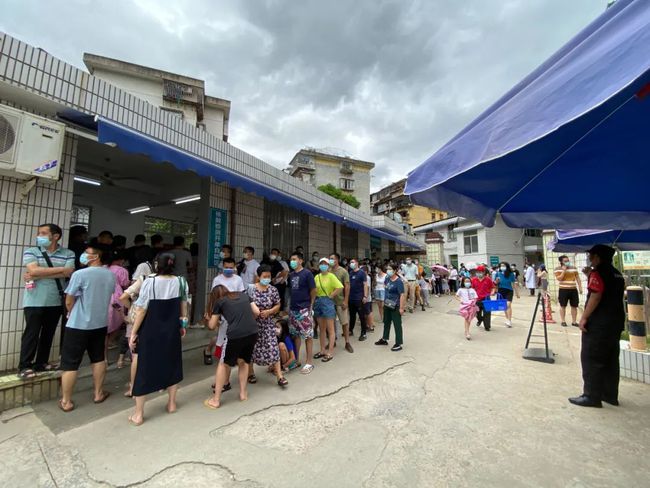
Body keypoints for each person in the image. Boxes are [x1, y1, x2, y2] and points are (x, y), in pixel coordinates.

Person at [128, 253, 188, 425]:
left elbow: (141, 309)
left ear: (156, 265)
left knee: (144, 368)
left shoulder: (150, 282)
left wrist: (134, 332)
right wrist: (182, 324)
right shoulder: (180, 281)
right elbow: (183, 304)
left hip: (151, 330)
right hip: (172, 329)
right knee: (173, 363)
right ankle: (171, 403)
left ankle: (138, 414)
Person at [59, 244, 115, 412]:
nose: (83, 255)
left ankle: (66, 401)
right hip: (100, 323)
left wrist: (72, 313)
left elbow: (69, 300)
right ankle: (98, 393)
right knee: (98, 358)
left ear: (96, 256)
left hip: (78, 324)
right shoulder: (110, 275)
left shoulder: (80, 274)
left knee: (70, 363)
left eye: (86, 253)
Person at [569, 245, 625, 408]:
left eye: (591, 256)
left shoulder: (598, 272)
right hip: (615, 322)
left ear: (598, 258)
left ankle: (591, 396)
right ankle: (610, 395)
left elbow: (596, 296)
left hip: (599, 323)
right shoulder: (617, 273)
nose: (590, 259)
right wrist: (590, 275)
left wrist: (584, 318)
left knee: (591, 358)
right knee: (610, 359)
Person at [19, 224, 75, 379]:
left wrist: (37, 275)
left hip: (56, 300)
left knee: (48, 333)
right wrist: (59, 271)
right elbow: (33, 270)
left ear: (55, 236)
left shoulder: (68, 253)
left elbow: (69, 271)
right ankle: (24, 366)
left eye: (43, 233)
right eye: (39, 233)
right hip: (33, 300)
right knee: (32, 333)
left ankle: (41, 363)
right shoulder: (32, 251)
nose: (39, 236)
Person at [204, 285, 260, 409]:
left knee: (223, 364)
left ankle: (216, 400)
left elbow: (212, 325)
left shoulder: (220, 302)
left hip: (235, 335)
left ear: (215, 297)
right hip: (252, 332)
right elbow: (256, 312)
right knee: (244, 362)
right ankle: (243, 393)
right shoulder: (244, 295)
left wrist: (209, 319)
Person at [248, 265, 287, 387]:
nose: (267, 279)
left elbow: (278, 305)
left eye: (269, 276)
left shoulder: (273, 290)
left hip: (268, 323)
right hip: (253, 324)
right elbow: (246, 304)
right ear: (259, 277)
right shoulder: (251, 289)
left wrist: (269, 312)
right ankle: (250, 373)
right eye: (264, 276)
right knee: (251, 348)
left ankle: (279, 376)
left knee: (273, 347)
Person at [204, 258, 245, 365]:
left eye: (231, 268)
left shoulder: (238, 279)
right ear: (223, 267)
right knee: (220, 335)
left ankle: (229, 356)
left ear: (234, 267)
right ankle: (209, 350)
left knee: (230, 334)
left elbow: (241, 295)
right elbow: (213, 296)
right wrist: (210, 311)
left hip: (234, 311)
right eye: (226, 267)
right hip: (220, 311)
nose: (228, 270)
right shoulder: (217, 279)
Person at [288, 252, 316, 374]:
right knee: (296, 335)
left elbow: (313, 290)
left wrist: (310, 305)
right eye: (291, 259)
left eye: (294, 259)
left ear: (301, 260)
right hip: (293, 309)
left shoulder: (307, 273)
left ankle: (309, 362)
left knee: (307, 335)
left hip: (304, 309)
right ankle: (296, 360)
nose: (292, 261)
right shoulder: (291, 275)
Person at [312, 258, 344, 362]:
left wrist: (331, 295)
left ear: (328, 265)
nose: (323, 265)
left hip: (328, 302)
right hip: (318, 302)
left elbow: (340, 287)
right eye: (321, 263)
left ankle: (330, 352)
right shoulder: (317, 276)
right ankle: (322, 350)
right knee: (321, 329)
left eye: (325, 263)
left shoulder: (331, 276)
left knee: (330, 329)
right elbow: (314, 289)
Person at [375, 265, 405, 351]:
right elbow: (386, 288)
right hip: (387, 303)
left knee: (397, 324)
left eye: (390, 269)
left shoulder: (399, 281)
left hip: (396, 305)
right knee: (386, 322)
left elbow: (402, 295)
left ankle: (398, 343)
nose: (388, 270)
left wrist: (401, 308)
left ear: (395, 270)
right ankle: (384, 339)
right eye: (387, 269)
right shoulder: (387, 279)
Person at [329, 253, 353, 353]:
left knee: (344, 322)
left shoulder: (343, 271)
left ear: (337, 260)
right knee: (331, 323)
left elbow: (347, 286)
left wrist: (346, 301)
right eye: (329, 259)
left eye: (332, 259)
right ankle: (332, 341)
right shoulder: (328, 271)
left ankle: (347, 342)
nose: (330, 260)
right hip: (329, 302)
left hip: (340, 301)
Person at [106, 250, 130, 350]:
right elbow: (125, 284)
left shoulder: (104, 268)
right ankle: (110, 341)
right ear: (121, 260)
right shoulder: (122, 270)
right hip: (117, 296)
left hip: (104, 294)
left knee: (106, 319)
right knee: (119, 319)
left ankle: (103, 342)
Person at [554, 255, 583, 327]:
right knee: (563, 305)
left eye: (568, 261)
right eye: (565, 261)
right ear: (561, 262)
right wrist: (564, 271)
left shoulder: (574, 268)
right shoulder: (557, 269)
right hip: (563, 289)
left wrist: (580, 288)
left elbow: (578, 278)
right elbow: (559, 279)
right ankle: (563, 321)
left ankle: (574, 321)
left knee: (574, 306)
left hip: (573, 289)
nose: (567, 262)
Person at [348, 258, 369, 340]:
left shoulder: (362, 273)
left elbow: (365, 285)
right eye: (350, 262)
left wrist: (365, 296)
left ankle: (363, 333)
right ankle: (350, 330)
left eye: (352, 262)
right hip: (351, 298)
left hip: (359, 298)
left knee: (361, 316)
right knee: (352, 316)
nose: (351, 264)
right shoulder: (350, 273)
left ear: (356, 263)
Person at [472, 265, 496, 331]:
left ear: (484, 272)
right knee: (477, 313)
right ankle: (480, 320)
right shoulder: (474, 280)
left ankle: (487, 326)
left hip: (486, 299)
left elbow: (493, 287)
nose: (479, 273)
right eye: (477, 271)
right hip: (477, 299)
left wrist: (493, 292)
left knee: (487, 313)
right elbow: (472, 289)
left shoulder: (488, 279)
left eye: (480, 272)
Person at [494, 261, 516, 327]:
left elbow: (513, 283)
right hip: (501, 290)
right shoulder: (497, 273)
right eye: (501, 266)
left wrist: (517, 293)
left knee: (508, 305)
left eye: (503, 266)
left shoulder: (511, 274)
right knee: (504, 306)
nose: (502, 267)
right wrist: (497, 281)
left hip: (509, 290)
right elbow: (495, 283)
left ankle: (509, 320)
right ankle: (507, 319)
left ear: (507, 267)